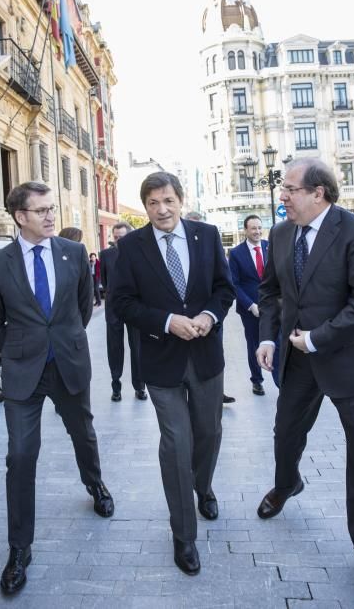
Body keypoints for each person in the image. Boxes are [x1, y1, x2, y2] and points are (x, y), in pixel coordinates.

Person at [256, 159, 354, 609]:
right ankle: (286, 482)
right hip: (296, 360)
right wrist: (268, 339)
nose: (282, 196)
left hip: (348, 360)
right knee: (285, 433)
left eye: (290, 189)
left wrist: (318, 338)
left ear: (320, 193)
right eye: (283, 190)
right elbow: (270, 292)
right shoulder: (279, 234)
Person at [0, 182, 114, 595]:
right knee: (20, 455)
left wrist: (64, 340)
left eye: (51, 208)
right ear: (20, 217)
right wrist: (24, 346)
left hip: (68, 365)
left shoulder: (73, 253)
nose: (50, 216)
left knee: (83, 433)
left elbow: (82, 307)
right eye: (40, 211)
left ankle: (95, 483)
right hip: (23, 371)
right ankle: (19, 549)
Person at [112, 172, 234, 575]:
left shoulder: (208, 234)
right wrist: (166, 321)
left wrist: (208, 315)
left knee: (210, 433)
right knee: (177, 443)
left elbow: (224, 289)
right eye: (152, 203)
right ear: (144, 207)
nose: (161, 210)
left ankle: (203, 485)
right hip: (161, 362)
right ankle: (184, 535)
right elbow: (122, 303)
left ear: (181, 199)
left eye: (168, 200)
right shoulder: (130, 246)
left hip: (205, 357)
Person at [185, 211, 236, 405]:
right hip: (178, 328)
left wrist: (211, 314)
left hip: (210, 319)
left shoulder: (209, 241)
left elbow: (224, 283)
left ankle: (217, 390)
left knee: (213, 355)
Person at [229, 214, 280, 395]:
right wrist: (251, 305)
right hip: (249, 309)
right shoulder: (236, 254)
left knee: (277, 341)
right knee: (253, 345)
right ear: (245, 231)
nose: (257, 231)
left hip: (274, 307)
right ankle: (257, 380)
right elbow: (234, 284)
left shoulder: (270, 247)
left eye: (259, 228)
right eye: (253, 228)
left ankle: (280, 380)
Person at [100, 222, 146, 401]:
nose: (118, 240)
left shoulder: (139, 253)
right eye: (116, 237)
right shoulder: (105, 255)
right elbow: (105, 281)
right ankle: (116, 386)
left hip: (134, 307)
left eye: (122, 237)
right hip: (113, 308)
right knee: (114, 348)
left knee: (137, 348)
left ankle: (140, 387)